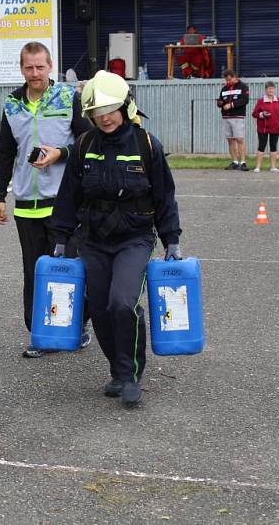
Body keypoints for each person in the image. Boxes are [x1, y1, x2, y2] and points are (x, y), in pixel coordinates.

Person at [51, 70, 182, 406]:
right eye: (96, 112)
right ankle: (117, 370)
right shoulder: (84, 146)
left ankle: (131, 373)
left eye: (110, 109)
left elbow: (165, 197)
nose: (104, 117)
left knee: (122, 303)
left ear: (126, 107)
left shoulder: (147, 145)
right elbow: (69, 195)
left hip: (134, 238)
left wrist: (172, 240)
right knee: (101, 309)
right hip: (93, 239)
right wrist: (61, 239)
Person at [0, 41, 93, 358]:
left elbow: (88, 140)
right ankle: (39, 334)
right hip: (26, 206)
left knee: (67, 271)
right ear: (21, 69)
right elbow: (6, 153)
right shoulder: (12, 105)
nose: (35, 73)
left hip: (64, 204)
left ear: (51, 67)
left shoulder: (68, 98)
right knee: (34, 273)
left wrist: (61, 154)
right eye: (29, 67)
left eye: (40, 67)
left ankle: (76, 328)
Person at [216, 70, 249, 171]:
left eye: (229, 80)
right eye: (226, 80)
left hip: (237, 117)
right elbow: (222, 101)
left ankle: (243, 163)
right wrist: (220, 103)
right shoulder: (224, 88)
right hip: (226, 117)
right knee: (230, 140)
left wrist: (231, 105)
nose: (228, 82)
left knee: (239, 139)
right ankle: (234, 162)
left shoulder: (243, 87)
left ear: (235, 77)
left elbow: (245, 100)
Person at [251, 81, 279, 173]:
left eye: (272, 88)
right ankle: (257, 167)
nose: (271, 90)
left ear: (274, 89)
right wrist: (262, 114)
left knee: (273, 147)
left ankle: (273, 167)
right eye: (269, 89)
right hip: (263, 128)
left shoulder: (278, 100)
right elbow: (254, 114)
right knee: (261, 146)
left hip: (275, 128)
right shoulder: (261, 101)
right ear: (265, 90)